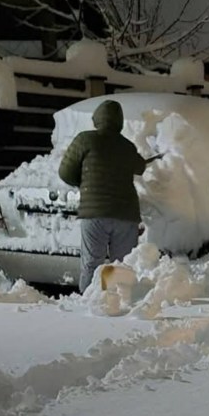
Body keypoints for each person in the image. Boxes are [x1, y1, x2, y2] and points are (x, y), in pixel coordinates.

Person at [58, 99, 148, 292]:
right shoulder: (127, 146)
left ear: (97, 119)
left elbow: (65, 172)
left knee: (92, 263)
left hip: (95, 213)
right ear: (120, 122)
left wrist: (85, 184)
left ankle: (88, 304)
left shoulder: (85, 139)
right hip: (125, 214)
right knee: (121, 265)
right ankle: (119, 303)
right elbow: (140, 167)